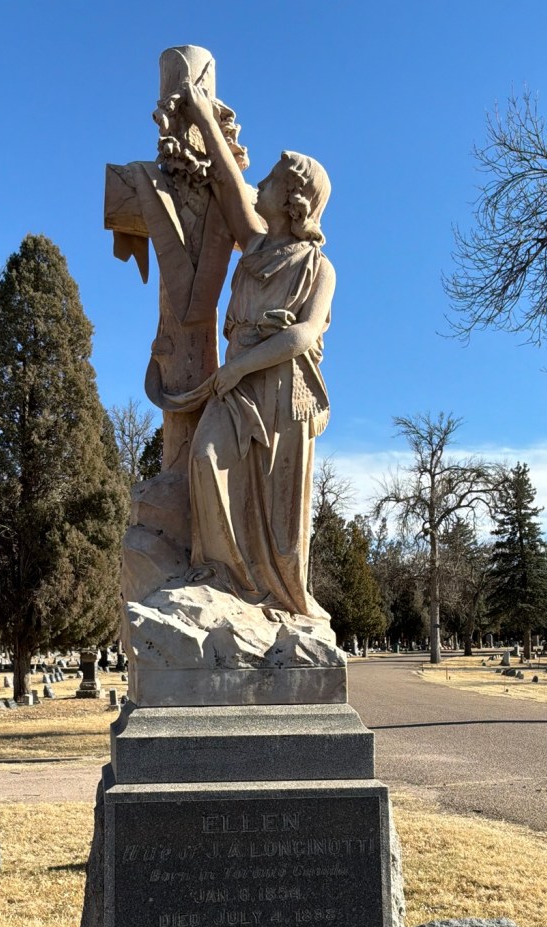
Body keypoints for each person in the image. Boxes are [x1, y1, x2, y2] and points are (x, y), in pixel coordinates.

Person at [159, 81, 336, 619]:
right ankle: (222, 578)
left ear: (293, 199)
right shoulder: (256, 246)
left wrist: (240, 367)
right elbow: (230, 183)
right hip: (237, 384)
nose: (259, 182)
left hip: (281, 391)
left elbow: (303, 334)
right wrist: (200, 115)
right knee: (206, 459)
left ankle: (275, 596)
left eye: (272, 178)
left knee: (279, 520)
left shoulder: (318, 267)